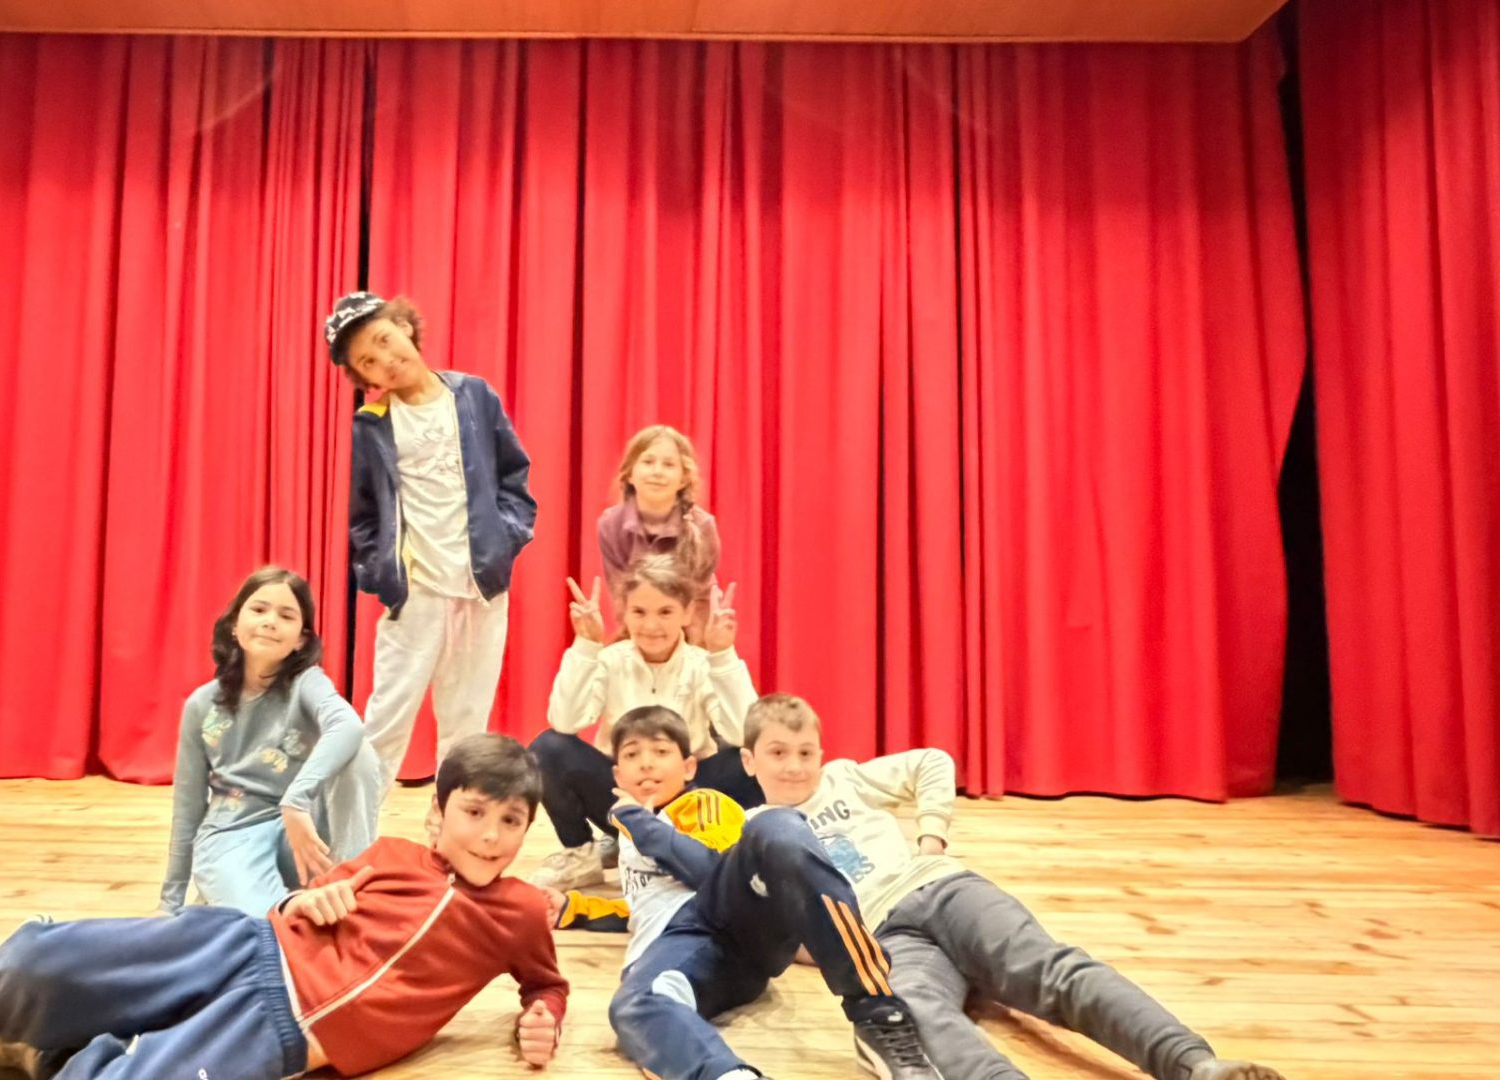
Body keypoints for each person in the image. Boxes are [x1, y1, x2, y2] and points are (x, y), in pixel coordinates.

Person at [0, 734, 568, 1079]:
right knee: (49, 956)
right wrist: (317, 894)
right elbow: (310, 898)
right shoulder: (394, 853)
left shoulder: (521, 912)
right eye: (474, 812)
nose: (490, 836)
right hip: (245, 946)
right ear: (437, 814)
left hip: (281, 1029)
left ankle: (52, 1051)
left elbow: (546, 982)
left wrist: (542, 1017)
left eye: (510, 822)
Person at [741, 692, 1288, 1080]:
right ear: (748, 760)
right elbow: (758, 921)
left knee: (1050, 969)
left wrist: (931, 837)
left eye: (806, 752)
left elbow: (932, 762)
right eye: (778, 753)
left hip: (940, 888)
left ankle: (1193, 1064)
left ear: (822, 753)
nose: (795, 767)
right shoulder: (753, 829)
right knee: (914, 1015)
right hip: (883, 939)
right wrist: (829, 948)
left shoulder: (845, 778)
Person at [549, 705, 940, 1080]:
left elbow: (708, 871)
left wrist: (638, 823)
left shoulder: (700, 805)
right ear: (617, 775)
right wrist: (575, 908)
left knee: (777, 827)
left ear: (689, 767)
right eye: (633, 754)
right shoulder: (634, 834)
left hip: (733, 919)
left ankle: (877, 1010)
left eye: (661, 752)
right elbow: (647, 908)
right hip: (685, 957)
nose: (647, 764)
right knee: (635, 1004)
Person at [326, 292, 536, 798]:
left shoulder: (474, 395)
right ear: (364, 378)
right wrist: (384, 576)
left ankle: (451, 824)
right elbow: (364, 517)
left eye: (384, 340)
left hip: (481, 588)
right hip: (417, 593)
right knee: (386, 717)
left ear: (404, 326)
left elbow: (514, 477)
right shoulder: (373, 424)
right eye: (368, 362)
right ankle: (352, 829)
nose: (385, 359)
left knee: (466, 720)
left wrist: (503, 542)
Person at [160, 566, 382, 916]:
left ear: (301, 640)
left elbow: (349, 726)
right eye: (259, 609)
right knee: (269, 927)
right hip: (233, 833)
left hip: (299, 835)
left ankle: (350, 886)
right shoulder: (201, 705)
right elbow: (187, 809)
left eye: (286, 615)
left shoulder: (307, 683)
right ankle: (251, 897)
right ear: (234, 626)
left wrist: (296, 799)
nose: (270, 622)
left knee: (358, 753)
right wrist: (169, 902)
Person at [530, 553, 758, 890]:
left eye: (665, 612)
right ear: (624, 612)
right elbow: (565, 722)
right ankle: (582, 854)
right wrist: (585, 646)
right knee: (548, 747)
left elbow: (745, 734)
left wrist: (723, 655)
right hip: (624, 794)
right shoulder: (610, 660)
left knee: (752, 759)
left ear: (687, 612)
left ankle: (732, 851)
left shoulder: (701, 663)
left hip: (693, 799)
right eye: (639, 612)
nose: (651, 626)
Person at [598, 424, 722, 645]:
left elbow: (699, 600)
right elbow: (621, 596)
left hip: (694, 636)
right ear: (630, 474)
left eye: (668, 465)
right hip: (639, 632)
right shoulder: (610, 524)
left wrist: (688, 652)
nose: (657, 472)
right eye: (648, 462)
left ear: (683, 479)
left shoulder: (703, 526)